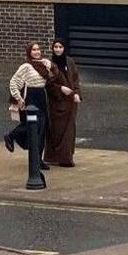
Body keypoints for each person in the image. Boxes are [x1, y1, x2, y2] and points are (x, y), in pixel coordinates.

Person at [2, 42, 56, 154]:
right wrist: (19, 98)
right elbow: (13, 82)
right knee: (33, 124)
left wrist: (50, 65)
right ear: (29, 52)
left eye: (38, 49)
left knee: (42, 129)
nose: (37, 52)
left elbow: (54, 76)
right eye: (34, 50)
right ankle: (11, 135)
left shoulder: (44, 64)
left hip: (42, 96)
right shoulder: (26, 66)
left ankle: (38, 159)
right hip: (31, 96)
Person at [44, 38, 83, 167]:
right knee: (57, 130)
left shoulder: (70, 62)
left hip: (70, 102)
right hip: (57, 102)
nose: (58, 49)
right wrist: (60, 89)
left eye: (60, 47)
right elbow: (48, 84)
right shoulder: (50, 64)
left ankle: (66, 157)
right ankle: (54, 156)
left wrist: (76, 93)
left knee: (69, 130)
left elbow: (75, 79)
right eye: (56, 47)